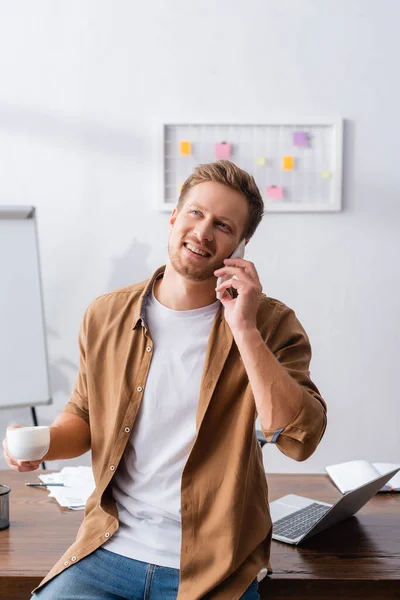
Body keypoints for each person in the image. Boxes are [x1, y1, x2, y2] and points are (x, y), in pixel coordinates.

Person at [3, 160, 327, 600]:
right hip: (108, 549)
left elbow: (298, 437)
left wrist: (245, 329)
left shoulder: (270, 324)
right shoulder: (106, 314)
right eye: (195, 213)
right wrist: (39, 442)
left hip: (214, 566)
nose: (203, 232)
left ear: (241, 246)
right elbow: (83, 417)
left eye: (223, 225)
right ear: (174, 217)